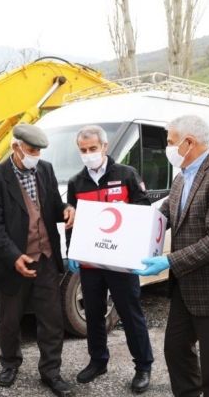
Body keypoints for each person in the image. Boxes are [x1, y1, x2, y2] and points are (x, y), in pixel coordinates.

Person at [135, 115, 209, 397]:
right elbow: (163, 215)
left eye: (170, 142)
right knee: (176, 351)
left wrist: (169, 261)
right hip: (186, 288)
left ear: (189, 143)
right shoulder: (182, 176)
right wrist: (123, 233)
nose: (167, 148)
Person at [0, 123, 76, 397]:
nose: (36, 155)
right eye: (32, 150)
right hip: (14, 263)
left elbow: (53, 206)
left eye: (39, 151)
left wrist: (67, 209)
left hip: (46, 258)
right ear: (16, 147)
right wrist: (14, 257)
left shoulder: (44, 170)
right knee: (10, 321)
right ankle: (10, 363)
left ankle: (51, 372)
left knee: (51, 319)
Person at [66, 125, 154, 393]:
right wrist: (72, 251)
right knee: (93, 314)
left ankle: (143, 366)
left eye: (93, 148)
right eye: (83, 150)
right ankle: (98, 361)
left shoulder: (126, 174)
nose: (88, 154)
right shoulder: (76, 182)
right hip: (90, 262)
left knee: (130, 314)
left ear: (104, 146)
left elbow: (145, 209)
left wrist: (125, 210)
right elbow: (71, 221)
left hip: (121, 260)